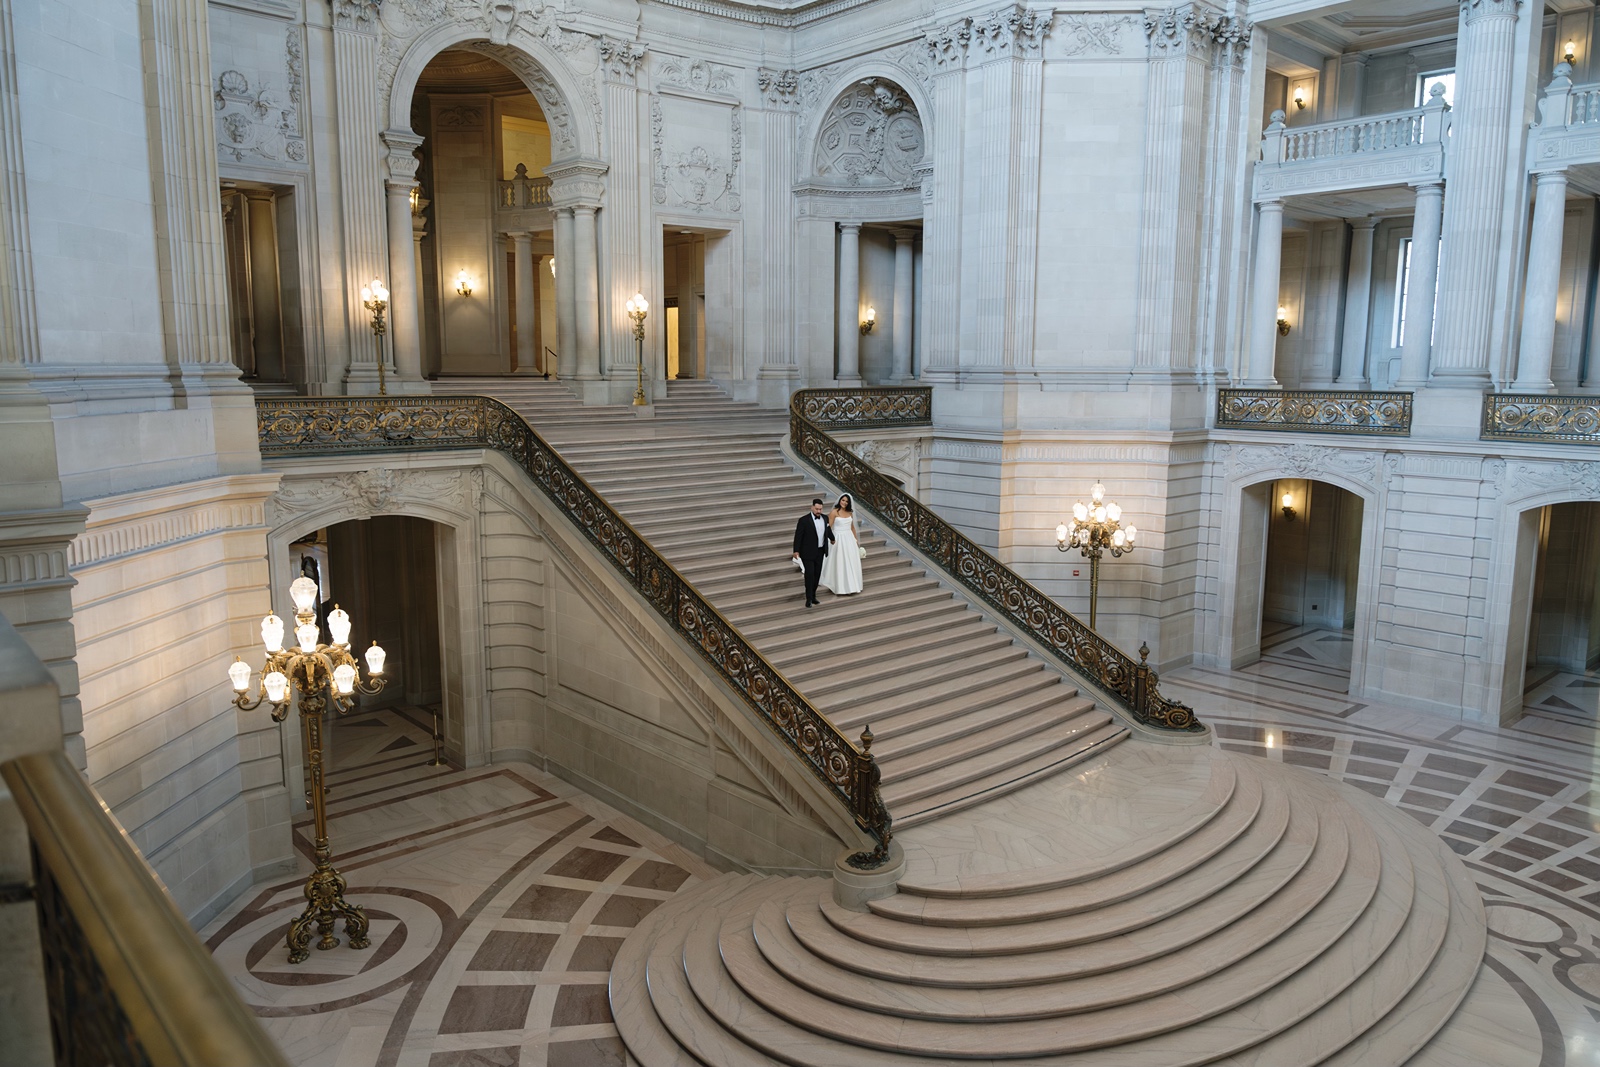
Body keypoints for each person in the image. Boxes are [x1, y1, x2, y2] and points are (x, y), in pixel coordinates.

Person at [818, 494, 864, 596]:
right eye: (843, 500)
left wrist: (856, 540)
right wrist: (829, 539)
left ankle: (852, 585)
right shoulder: (834, 512)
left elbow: (852, 528)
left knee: (850, 561)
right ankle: (841, 586)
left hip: (849, 539)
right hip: (838, 538)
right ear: (840, 500)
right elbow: (828, 527)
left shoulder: (850, 513)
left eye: (846, 501)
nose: (844, 503)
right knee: (840, 560)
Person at [792, 497, 834, 608]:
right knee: (809, 575)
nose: (818, 511)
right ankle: (809, 598)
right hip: (808, 552)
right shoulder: (804, 520)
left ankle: (814, 595)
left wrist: (832, 538)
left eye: (820, 509)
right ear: (812, 508)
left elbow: (828, 530)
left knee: (817, 575)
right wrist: (796, 550)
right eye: (816, 509)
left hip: (820, 552)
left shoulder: (825, 518)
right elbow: (798, 536)